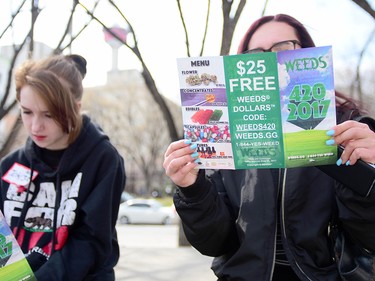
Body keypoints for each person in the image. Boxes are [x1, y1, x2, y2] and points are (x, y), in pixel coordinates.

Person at [163, 14, 375, 281]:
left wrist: (368, 174)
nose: (269, 60)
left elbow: (368, 235)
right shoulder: (224, 135)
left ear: (308, 53)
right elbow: (215, 243)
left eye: (283, 48)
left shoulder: (348, 129)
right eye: (255, 53)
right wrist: (192, 190)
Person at [0, 54, 126, 280]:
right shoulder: (10, 166)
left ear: (75, 108)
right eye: (27, 112)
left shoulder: (102, 160)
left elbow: (90, 242)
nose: (36, 125)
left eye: (49, 114)